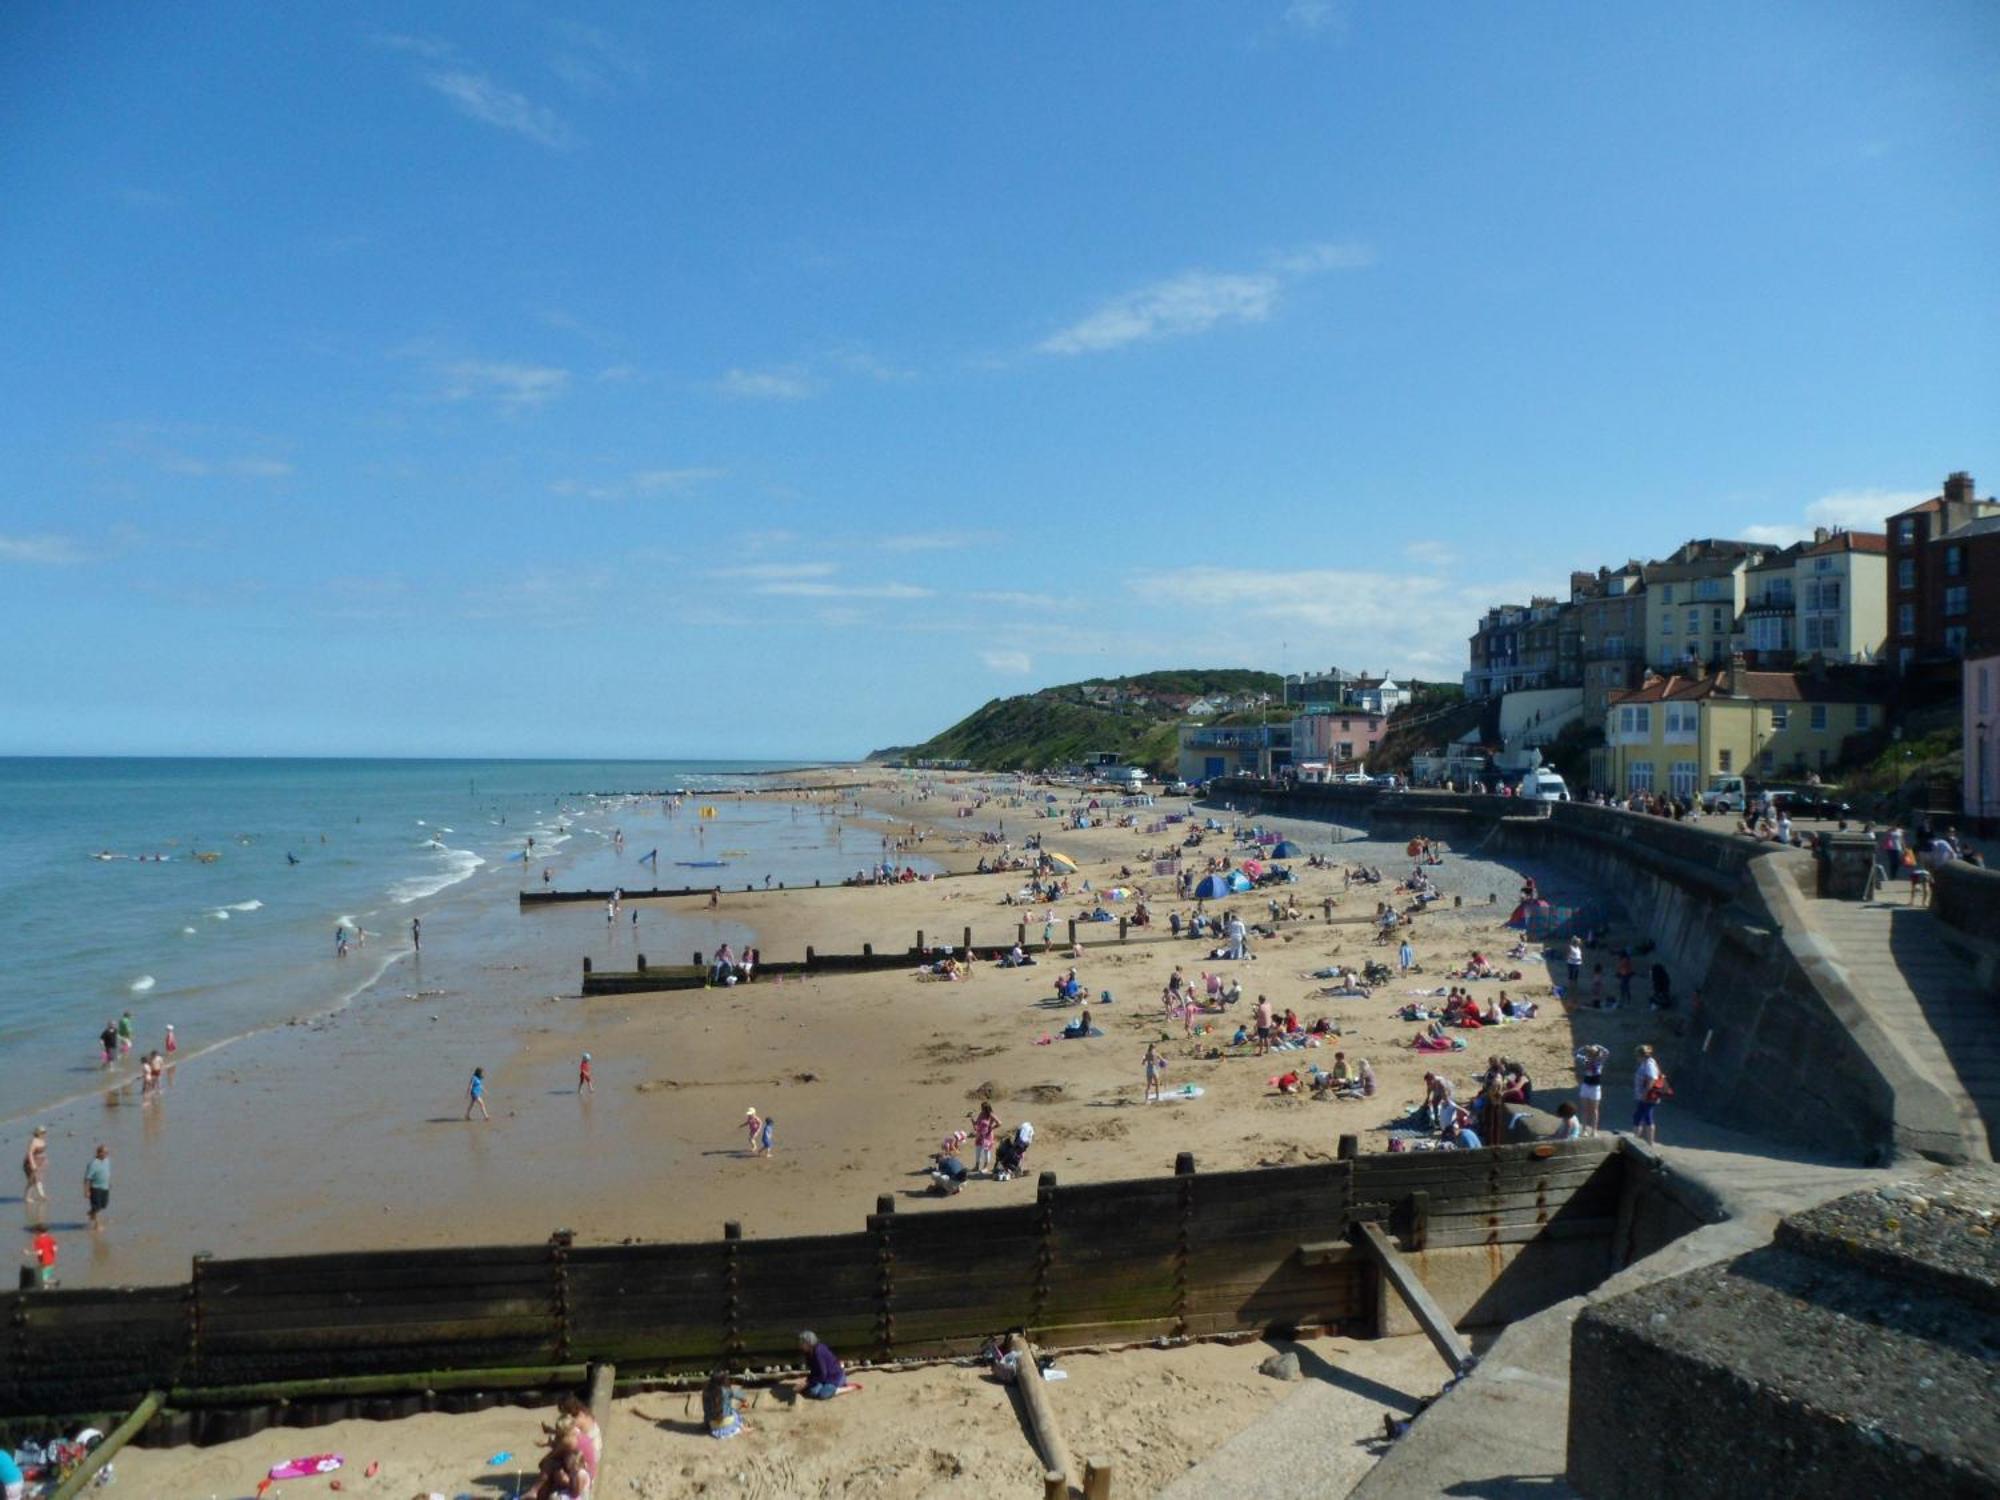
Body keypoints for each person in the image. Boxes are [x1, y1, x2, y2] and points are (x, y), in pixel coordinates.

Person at [799, 1330, 851, 1399]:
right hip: (824, 1378)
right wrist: (807, 1381)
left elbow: (823, 1374)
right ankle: (825, 1387)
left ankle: (846, 1388)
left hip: (834, 1377)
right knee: (812, 1392)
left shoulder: (819, 1352)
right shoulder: (808, 1353)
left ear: (809, 1343)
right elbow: (814, 1371)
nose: (800, 1344)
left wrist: (808, 1383)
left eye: (803, 1342)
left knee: (823, 1395)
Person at [703, 1368, 749, 1439]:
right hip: (727, 1424)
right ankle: (743, 1428)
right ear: (724, 1380)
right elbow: (742, 1396)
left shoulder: (706, 1391)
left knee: (716, 1411)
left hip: (713, 1425)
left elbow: (705, 1410)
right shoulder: (727, 1390)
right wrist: (745, 1402)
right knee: (734, 1411)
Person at [1574, 1043, 1609, 1136]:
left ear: (1597, 1054)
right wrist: (1583, 1047)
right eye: (1590, 1053)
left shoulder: (1599, 1062)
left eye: (1593, 1054)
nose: (1591, 1055)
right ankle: (1584, 1130)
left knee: (1594, 1110)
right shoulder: (1586, 1060)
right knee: (1584, 1109)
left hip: (1595, 1088)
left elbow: (1607, 1052)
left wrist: (1598, 1045)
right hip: (1586, 1086)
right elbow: (1575, 1054)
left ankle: (1594, 1130)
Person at [1633, 1044, 1665, 1144]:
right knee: (1647, 1117)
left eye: (1637, 1055)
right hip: (1648, 1096)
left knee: (1638, 1117)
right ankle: (1649, 1142)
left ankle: (1636, 1141)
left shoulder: (1649, 1064)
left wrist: (1645, 1093)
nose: (1636, 1058)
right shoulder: (1648, 1062)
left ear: (1641, 1055)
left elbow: (1652, 1078)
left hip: (1648, 1096)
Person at [22, 1126, 48, 1215]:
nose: (44, 1134)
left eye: (44, 1132)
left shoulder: (42, 1140)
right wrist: (32, 1164)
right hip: (32, 1162)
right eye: (42, 1132)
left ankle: (38, 1195)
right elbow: (30, 1153)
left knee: (36, 1180)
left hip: (41, 1162)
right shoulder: (33, 1141)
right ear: (37, 1133)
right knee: (34, 1180)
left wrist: (45, 1160)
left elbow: (42, 1151)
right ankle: (35, 1196)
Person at [83, 1144, 110, 1231]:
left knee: (103, 1205)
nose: (107, 1154)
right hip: (95, 1188)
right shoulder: (93, 1164)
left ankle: (91, 1212)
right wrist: (86, 1191)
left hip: (105, 1187)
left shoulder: (107, 1161)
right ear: (99, 1153)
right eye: (105, 1152)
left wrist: (109, 1183)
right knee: (97, 1207)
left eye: (107, 1152)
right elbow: (87, 1178)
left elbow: (106, 1172)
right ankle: (97, 1225)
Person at [970, 1101, 1001, 1174]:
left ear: (986, 1109)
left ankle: (985, 1167)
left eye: (982, 1108)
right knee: (978, 1150)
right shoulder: (981, 1114)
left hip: (987, 1136)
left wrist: (992, 1127)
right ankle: (977, 1166)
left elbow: (999, 1123)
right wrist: (971, 1118)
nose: (981, 1109)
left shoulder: (991, 1115)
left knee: (986, 1152)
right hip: (979, 1135)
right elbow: (976, 1123)